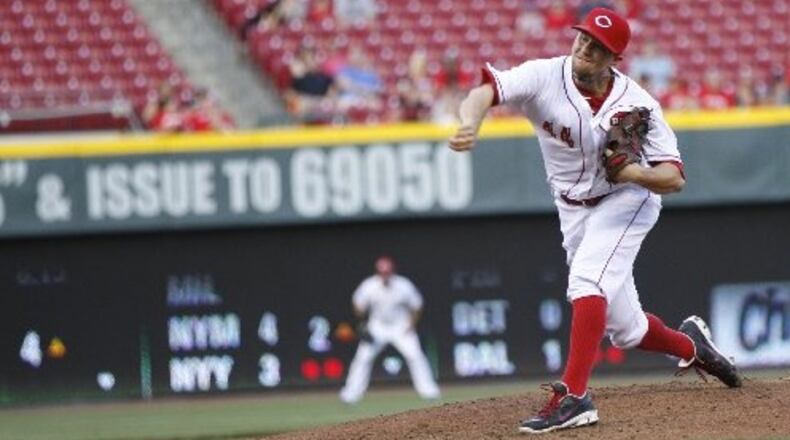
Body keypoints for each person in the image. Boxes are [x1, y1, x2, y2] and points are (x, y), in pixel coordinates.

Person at [448, 7, 741, 434]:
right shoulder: (545, 75)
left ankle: (574, 396)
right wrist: (468, 123)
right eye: (582, 38)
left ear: (613, 59)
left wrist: (635, 172)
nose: (584, 48)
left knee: (586, 282)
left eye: (597, 47)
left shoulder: (638, 103)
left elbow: (673, 177)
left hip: (627, 200)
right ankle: (693, 347)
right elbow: (484, 91)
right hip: (572, 208)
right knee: (627, 329)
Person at [339, 256, 441, 404]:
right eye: (382, 272)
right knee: (363, 358)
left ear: (392, 271)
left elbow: (417, 306)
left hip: (401, 326)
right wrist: (361, 321)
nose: (385, 275)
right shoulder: (369, 285)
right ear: (377, 272)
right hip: (377, 326)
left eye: (387, 272)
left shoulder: (403, 285)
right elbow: (357, 304)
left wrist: (412, 324)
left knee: (415, 355)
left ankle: (429, 391)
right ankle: (350, 395)